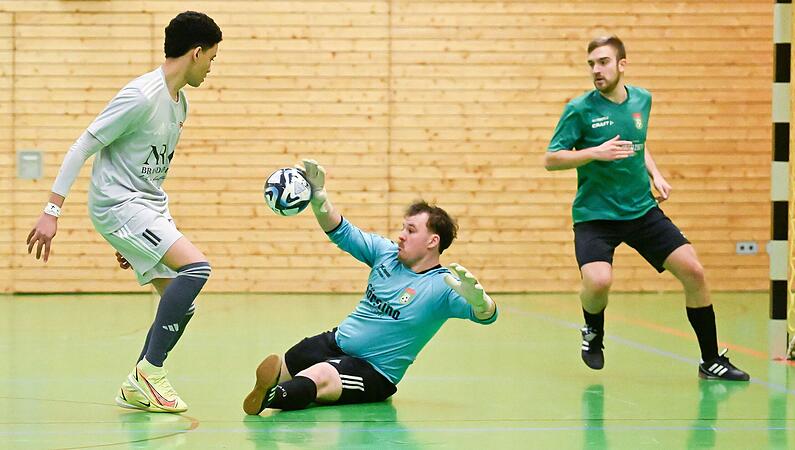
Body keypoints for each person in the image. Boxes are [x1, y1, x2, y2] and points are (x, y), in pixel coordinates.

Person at [25, 11, 223, 412]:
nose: (211, 68)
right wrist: (51, 211)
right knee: (197, 269)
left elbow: (145, 170)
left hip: (146, 207)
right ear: (196, 52)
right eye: (212, 59)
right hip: (119, 204)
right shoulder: (140, 96)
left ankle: (136, 385)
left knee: (182, 301)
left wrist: (135, 242)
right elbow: (82, 147)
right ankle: (152, 371)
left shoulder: (179, 103)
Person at [544, 36, 749, 381]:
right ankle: (593, 332)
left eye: (604, 61)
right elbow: (551, 159)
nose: (596, 69)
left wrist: (656, 173)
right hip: (596, 216)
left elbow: (637, 142)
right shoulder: (579, 110)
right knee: (597, 282)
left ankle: (711, 360)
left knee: (694, 272)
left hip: (641, 210)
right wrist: (594, 153)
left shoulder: (642, 100)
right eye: (592, 63)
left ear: (622, 64)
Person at [242, 159, 498, 414]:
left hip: (373, 371)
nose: (401, 235)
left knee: (319, 376)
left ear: (432, 241)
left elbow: (487, 316)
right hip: (337, 342)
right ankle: (275, 386)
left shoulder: (442, 286)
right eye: (402, 228)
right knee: (291, 360)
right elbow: (340, 230)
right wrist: (319, 198)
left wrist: (482, 303)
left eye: (410, 230)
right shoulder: (385, 253)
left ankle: (272, 397)